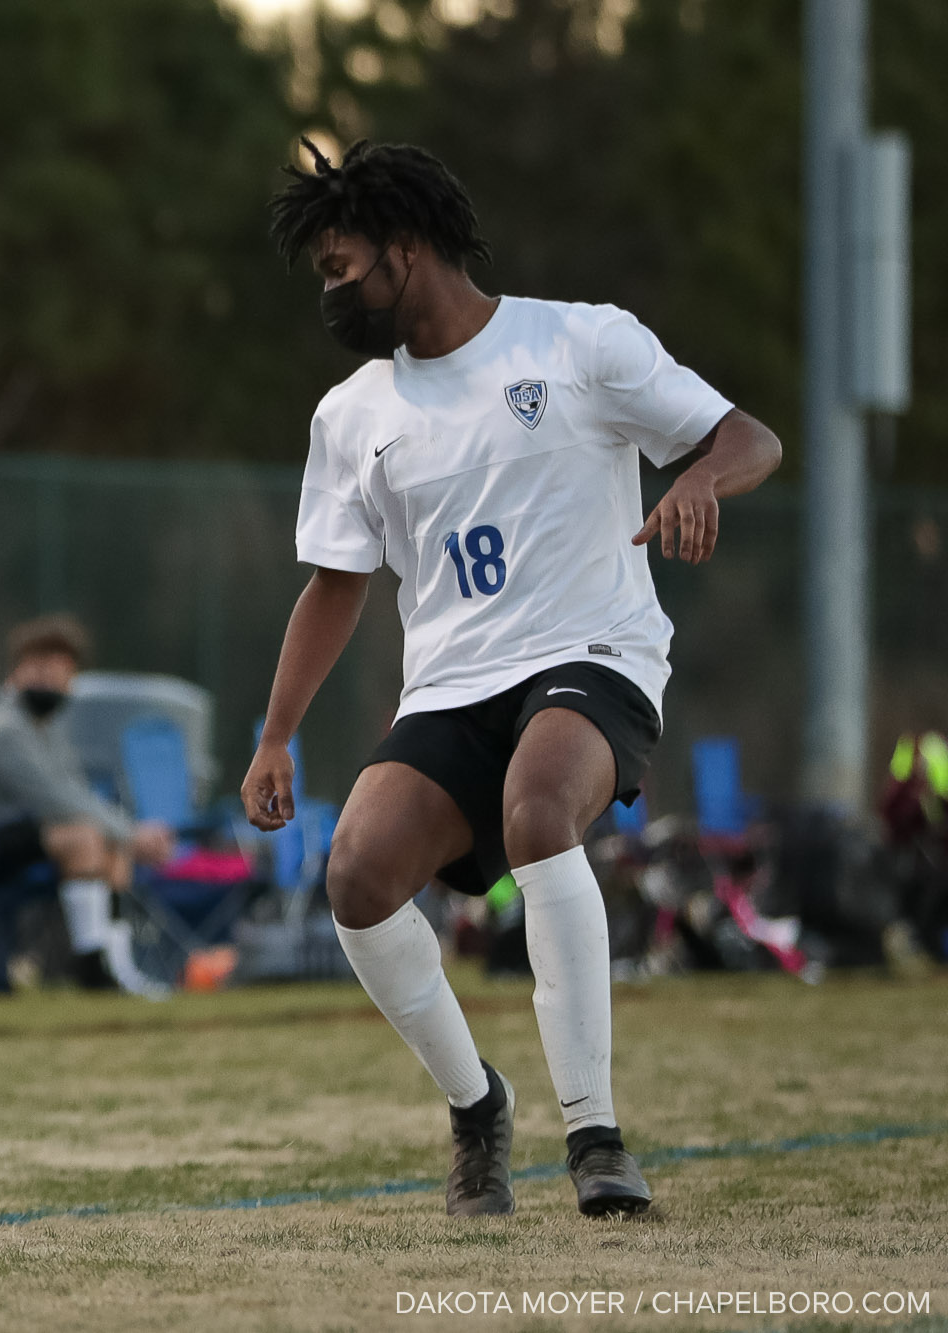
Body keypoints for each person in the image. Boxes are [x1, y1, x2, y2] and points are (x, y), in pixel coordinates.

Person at [242, 140, 781, 1218]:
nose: (333, 295)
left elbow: (745, 436)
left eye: (341, 267)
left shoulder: (579, 340)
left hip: (593, 655)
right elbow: (335, 587)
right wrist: (274, 735)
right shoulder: (351, 413)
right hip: (449, 688)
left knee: (539, 810)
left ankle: (594, 1136)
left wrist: (698, 481)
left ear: (405, 250)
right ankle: (476, 1107)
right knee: (353, 874)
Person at [0, 615, 176, 993]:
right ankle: (91, 971)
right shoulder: (2, 728)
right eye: (40, 670)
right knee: (82, 838)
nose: (50, 683)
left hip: (10, 838)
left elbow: (76, 792)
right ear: (16, 671)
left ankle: (118, 968)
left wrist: (125, 835)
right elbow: (55, 799)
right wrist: (132, 833)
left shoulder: (45, 728)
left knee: (109, 845)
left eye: (61, 674)